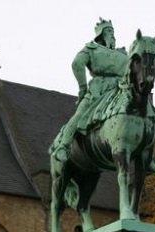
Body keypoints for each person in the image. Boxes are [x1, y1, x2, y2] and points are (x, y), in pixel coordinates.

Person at [49, 18, 128, 162]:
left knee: (138, 112)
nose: (112, 34)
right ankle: (63, 146)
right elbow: (77, 64)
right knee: (80, 114)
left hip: (119, 91)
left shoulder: (123, 54)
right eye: (108, 31)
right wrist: (83, 88)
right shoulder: (92, 49)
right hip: (98, 89)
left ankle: (145, 151)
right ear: (101, 35)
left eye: (113, 31)